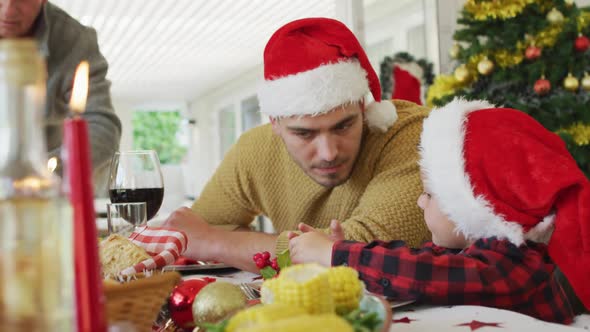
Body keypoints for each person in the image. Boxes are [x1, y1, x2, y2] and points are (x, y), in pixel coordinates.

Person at [162, 17, 431, 272]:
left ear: (362, 106)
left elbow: (367, 249)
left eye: (343, 126)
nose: (329, 153)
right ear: (275, 122)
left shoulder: (408, 132)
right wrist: (214, 238)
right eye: (304, 133)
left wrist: (216, 243)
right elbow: (198, 228)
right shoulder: (255, 149)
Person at [288, 98, 590, 324]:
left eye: (430, 194)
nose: (420, 202)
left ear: (473, 206)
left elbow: (425, 272)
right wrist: (346, 253)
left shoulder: (515, 265)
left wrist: (335, 254)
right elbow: (418, 259)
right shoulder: (476, 253)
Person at [0, 0, 122, 191]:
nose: (9, 10)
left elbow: (103, 127)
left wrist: (43, 176)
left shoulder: (75, 41)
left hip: (41, 195)